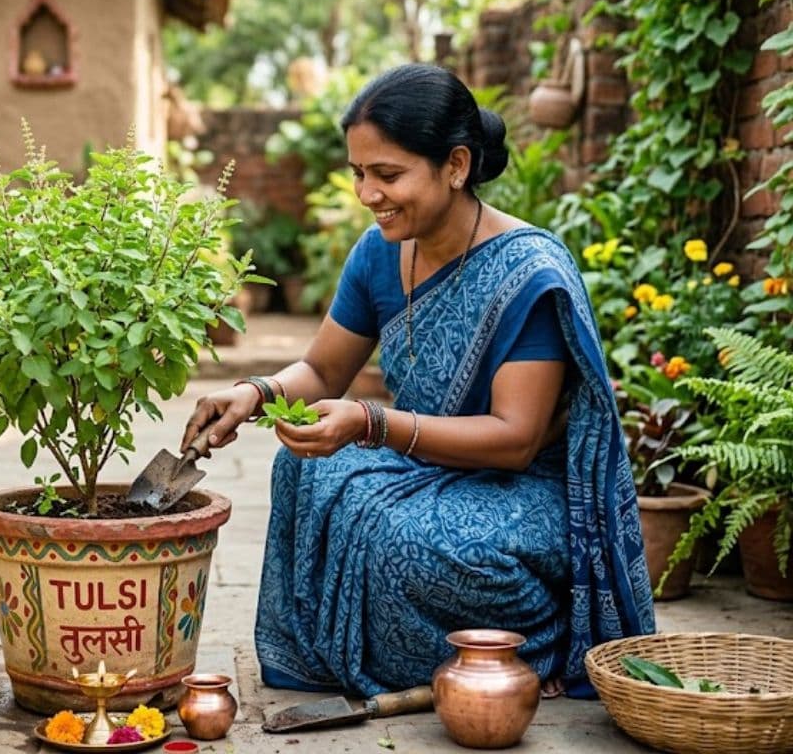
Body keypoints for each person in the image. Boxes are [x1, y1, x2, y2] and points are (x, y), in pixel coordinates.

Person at [182, 64, 655, 699]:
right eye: (358, 173)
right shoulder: (379, 251)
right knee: (302, 470)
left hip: (517, 492)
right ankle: (343, 652)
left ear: (456, 165)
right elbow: (324, 370)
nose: (367, 194)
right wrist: (254, 393)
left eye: (388, 174)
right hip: (425, 467)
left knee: (412, 544)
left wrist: (374, 424)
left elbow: (515, 439)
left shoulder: (527, 273)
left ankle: (524, 648)